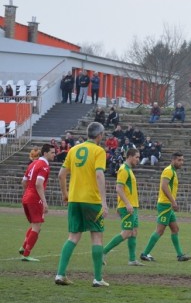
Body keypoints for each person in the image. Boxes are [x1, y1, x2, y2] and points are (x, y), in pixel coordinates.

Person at [55, 122, 109, 287]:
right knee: (97, 236)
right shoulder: (98, 151)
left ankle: (60, 274)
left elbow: (60, 175)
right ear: (99, 136)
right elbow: (99, 175)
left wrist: (65, 194)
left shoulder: (73, 149)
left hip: (74, 199)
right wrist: (104, 202)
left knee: (73, 236)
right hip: (91, 200)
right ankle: (98, 278)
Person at [140, 152, 191, 262]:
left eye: (182, 160)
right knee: (159, 231)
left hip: (167, 205)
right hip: (165, 204)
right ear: (173, 160)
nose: (181, 162)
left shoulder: (173, 171)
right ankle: (145, 253)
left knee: (175, 229)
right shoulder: (168, 170)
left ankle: (180, 255)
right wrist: (173, 202)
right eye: (179, 160)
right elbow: (164, 186)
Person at [102, 148, 145, 266]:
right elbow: (118, 188)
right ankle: (103, 252)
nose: (138, 160)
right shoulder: (123, 170)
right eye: (136, 157)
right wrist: (126, 204)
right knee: (126, 232)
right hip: (128, 207)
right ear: (130, 156)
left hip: (133, 206)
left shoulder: (129, 170)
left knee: (134, 231)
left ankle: (132, 259)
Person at [19, 144, 55, 262]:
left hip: (27, 197)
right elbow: (39, 184)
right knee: (37, 226)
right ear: (45, 153)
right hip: (35, 199)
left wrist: (28, 193)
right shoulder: (44, 166)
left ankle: (23, 247)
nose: (54, 155)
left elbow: (24, 182)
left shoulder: (32, 163)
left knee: (35, 226)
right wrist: (44, 202)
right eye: (52, 152)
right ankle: (26, 254)